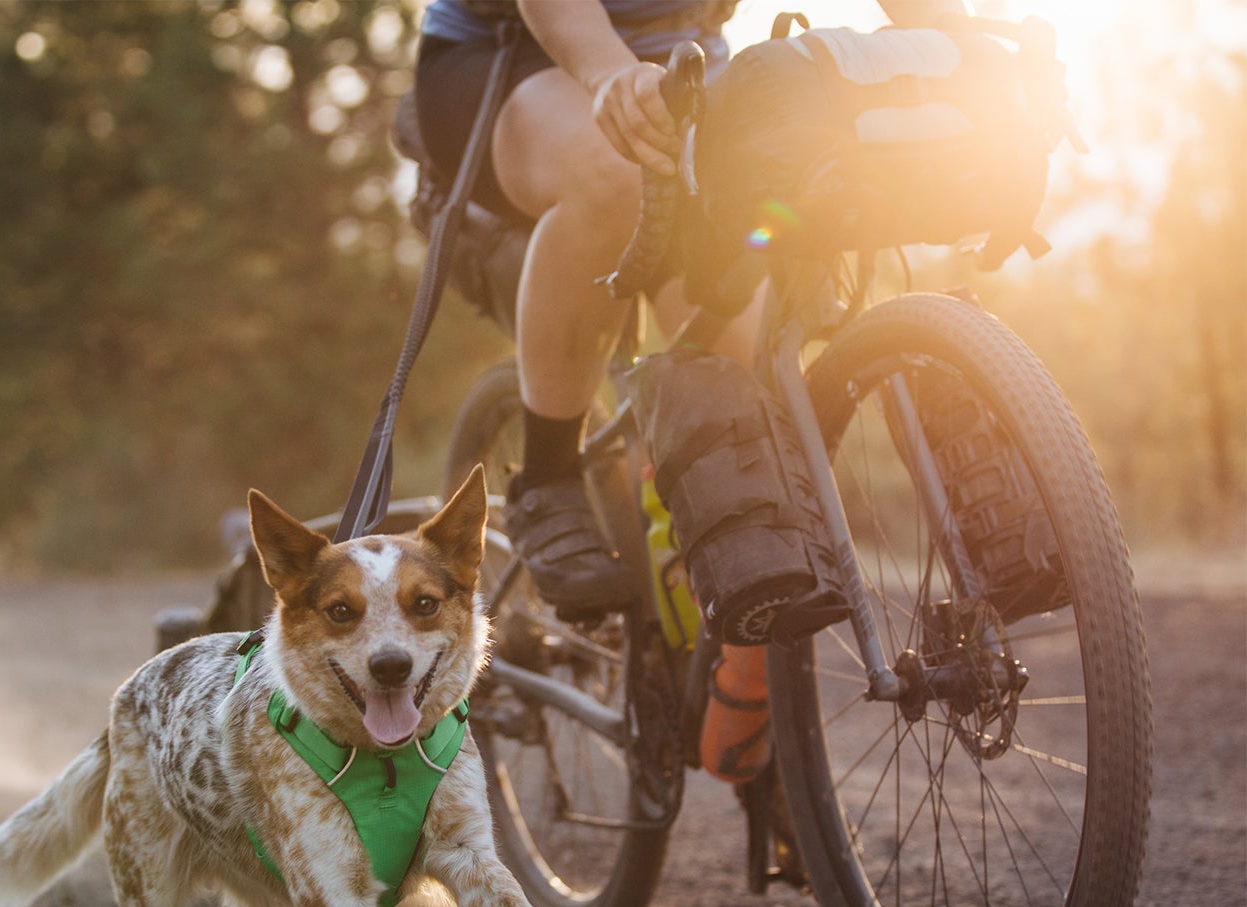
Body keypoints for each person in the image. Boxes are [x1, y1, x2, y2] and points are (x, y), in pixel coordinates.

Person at [411, 0, 963, 612]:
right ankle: (547, 477)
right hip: (509, 54)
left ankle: (734, 692)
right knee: (617, 173)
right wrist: (609, 74)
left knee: (752, 450)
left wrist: (960, 38)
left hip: (684, 64)